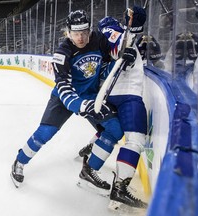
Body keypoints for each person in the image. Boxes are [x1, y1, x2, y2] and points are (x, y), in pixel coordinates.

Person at [10, 10, 132, 192]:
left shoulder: (98, 40)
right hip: (64, 99)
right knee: (45, 133)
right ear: (68, 32)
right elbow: (64, 88)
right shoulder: (62, 53)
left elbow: (105, 69)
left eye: (84, 32)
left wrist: (121, 62)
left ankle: (88, 172)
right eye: (76, 33)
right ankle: (19, 161)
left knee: (115, 129)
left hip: (91, 96)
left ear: (90, 29)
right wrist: (81, 105)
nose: (81, 37)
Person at [78, 8, 148, 209]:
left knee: (111, 133)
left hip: (107, 94)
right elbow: (123, 47)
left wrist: (133, 33)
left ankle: (89, 170)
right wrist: (133, 27)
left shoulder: (97, 41)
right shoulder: (113, 32)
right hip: (128, 94)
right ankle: (119, 189)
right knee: (135, 140)